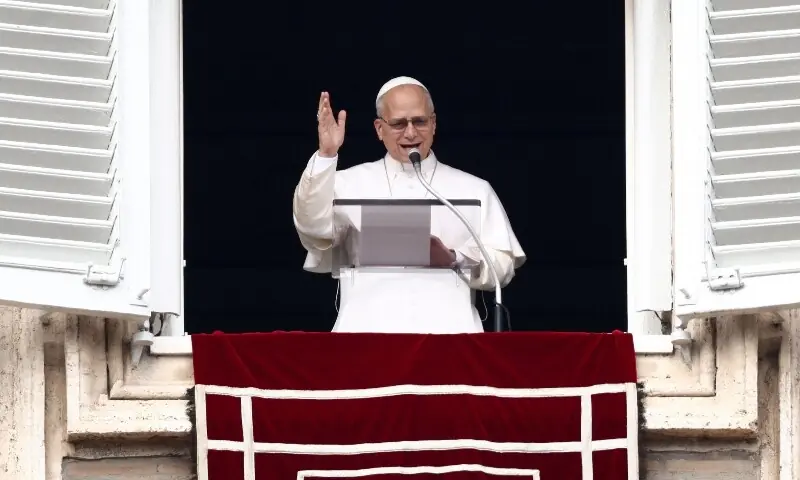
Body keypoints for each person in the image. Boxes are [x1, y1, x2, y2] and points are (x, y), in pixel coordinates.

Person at [293, 76, 526, 333]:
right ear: (379, 129)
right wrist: (326, 155)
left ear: (434, 124)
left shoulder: (474, 189)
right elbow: (312, 229)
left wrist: (454, 258)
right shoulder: (347, 184)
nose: (411, 132)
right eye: (398, 124)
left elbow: (502, 266)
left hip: (450, 335)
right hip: (365, 333)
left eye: (420, 121)